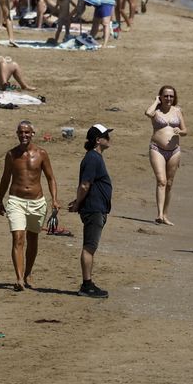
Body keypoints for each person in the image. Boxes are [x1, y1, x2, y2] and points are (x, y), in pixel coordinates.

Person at [0, 120, 59, 292]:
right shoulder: (11, 155)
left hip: (37, 202)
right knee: (18, 238)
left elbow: (50, 178)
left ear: (32, 134)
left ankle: (28, 273)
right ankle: (19, 278)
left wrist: (54, 199)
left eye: (26, 132)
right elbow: (5, 178)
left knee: (33, 239)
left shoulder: (41, 154)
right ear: (17, 134)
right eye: (20, 132)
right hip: (16, 200)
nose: (23, 135)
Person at [68, 124, 113, 298]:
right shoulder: (93, 158)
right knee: (89, 247)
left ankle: (88, 284)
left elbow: (86, 185)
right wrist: (78, 203)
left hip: (96, 207)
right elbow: (85, 184)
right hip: (94, 209)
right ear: (98, 140)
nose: (109, 139)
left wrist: (77, 201)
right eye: (106, 136)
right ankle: (86, 285)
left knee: (90, 246)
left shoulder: (95, 157)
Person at [145, 86, 186, 225]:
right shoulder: (155, 111)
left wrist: (179, 131)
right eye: (166, 96)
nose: (169, 99)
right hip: (157, 148)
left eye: (171, 96)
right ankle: (159, 214)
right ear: (161, 96)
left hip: (174, 151)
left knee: (169, 183)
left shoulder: (178, 111)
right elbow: (147, 113)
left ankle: (166, 215)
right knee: (161, 181)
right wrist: (156, 101)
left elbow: (185, 130)